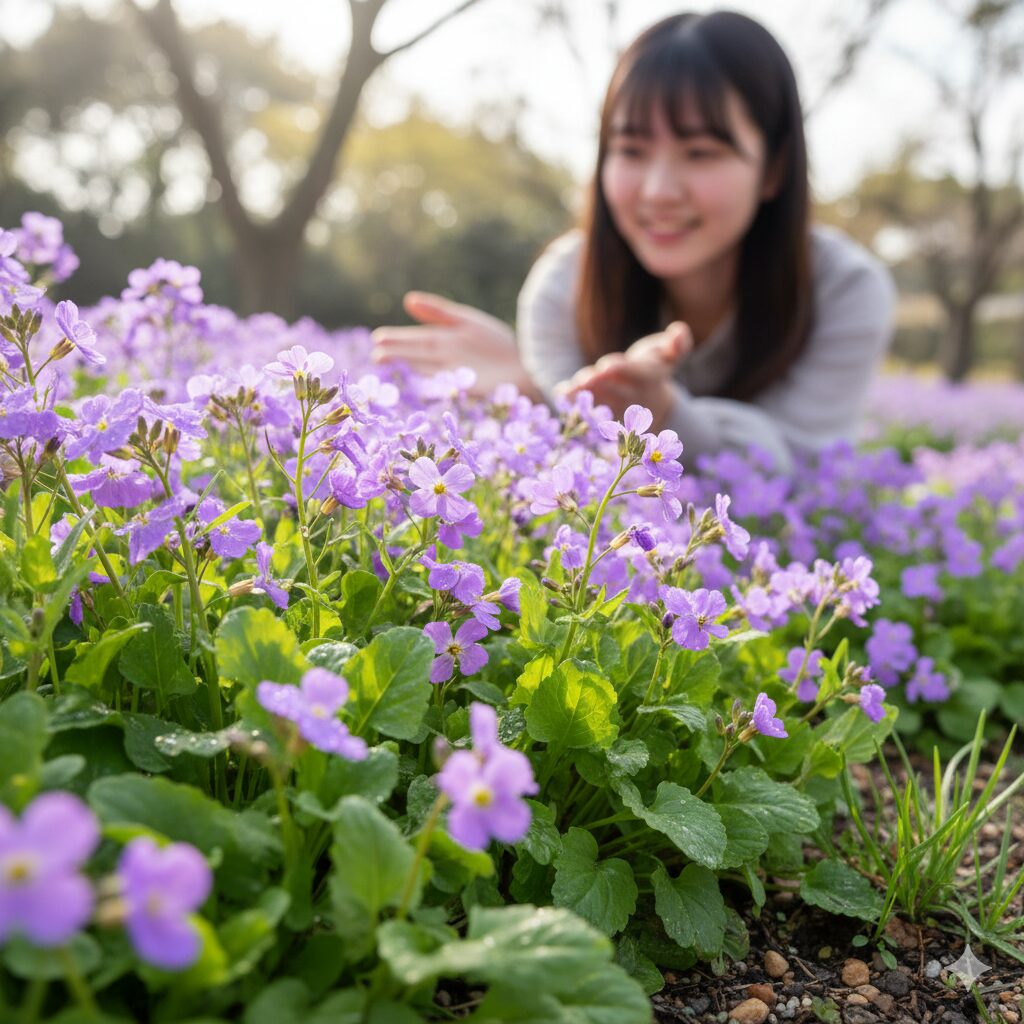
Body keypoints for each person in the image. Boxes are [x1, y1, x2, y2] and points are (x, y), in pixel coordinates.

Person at [371, 11, 896, 472]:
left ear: (774, 169)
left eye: (700, 153)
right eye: (631, 149)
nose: (659, 191)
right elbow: (563, 455)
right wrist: (528, 390)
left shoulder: (845, 290)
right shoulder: (563, 286)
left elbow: (804, 470)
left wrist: (663, 416)